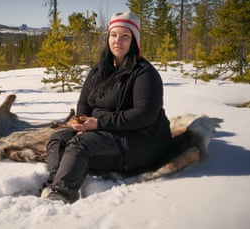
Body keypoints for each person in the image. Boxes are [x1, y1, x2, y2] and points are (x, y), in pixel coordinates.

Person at [42, 11, 173, 203]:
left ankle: (62, 195)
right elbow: (84, 102)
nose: (117, 41)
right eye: (113, 35)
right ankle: (58, 181)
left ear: (134, 40)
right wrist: (81, 122)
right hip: (102, 132)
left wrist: (97, 123)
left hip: (136, 141)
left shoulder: (144, 73)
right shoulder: (99, 69)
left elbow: (144, 114)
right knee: (57, 140)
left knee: (80, 145)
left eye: (125, 36)